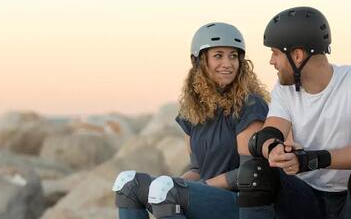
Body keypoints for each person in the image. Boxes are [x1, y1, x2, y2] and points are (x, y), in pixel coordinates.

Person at [238, 6, 351, 219]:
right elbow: (267, 135)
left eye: (275, 53)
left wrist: (312, 160)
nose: (272, 61)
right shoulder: (284, 90)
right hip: (308, 199)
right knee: (255, 173)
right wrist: (274, 149)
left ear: (297, 55)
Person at [113, 22, 270, 219]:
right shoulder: (193, 111)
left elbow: (250, 173)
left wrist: (192, 187)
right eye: (218, 55)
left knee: (165, 190)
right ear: (199, 61)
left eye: (233, 56)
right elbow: (197, 169)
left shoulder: (250, 105)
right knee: (128, 184)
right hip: (205, 197)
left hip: (240, 203)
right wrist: (173, 184)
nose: (228, 64)